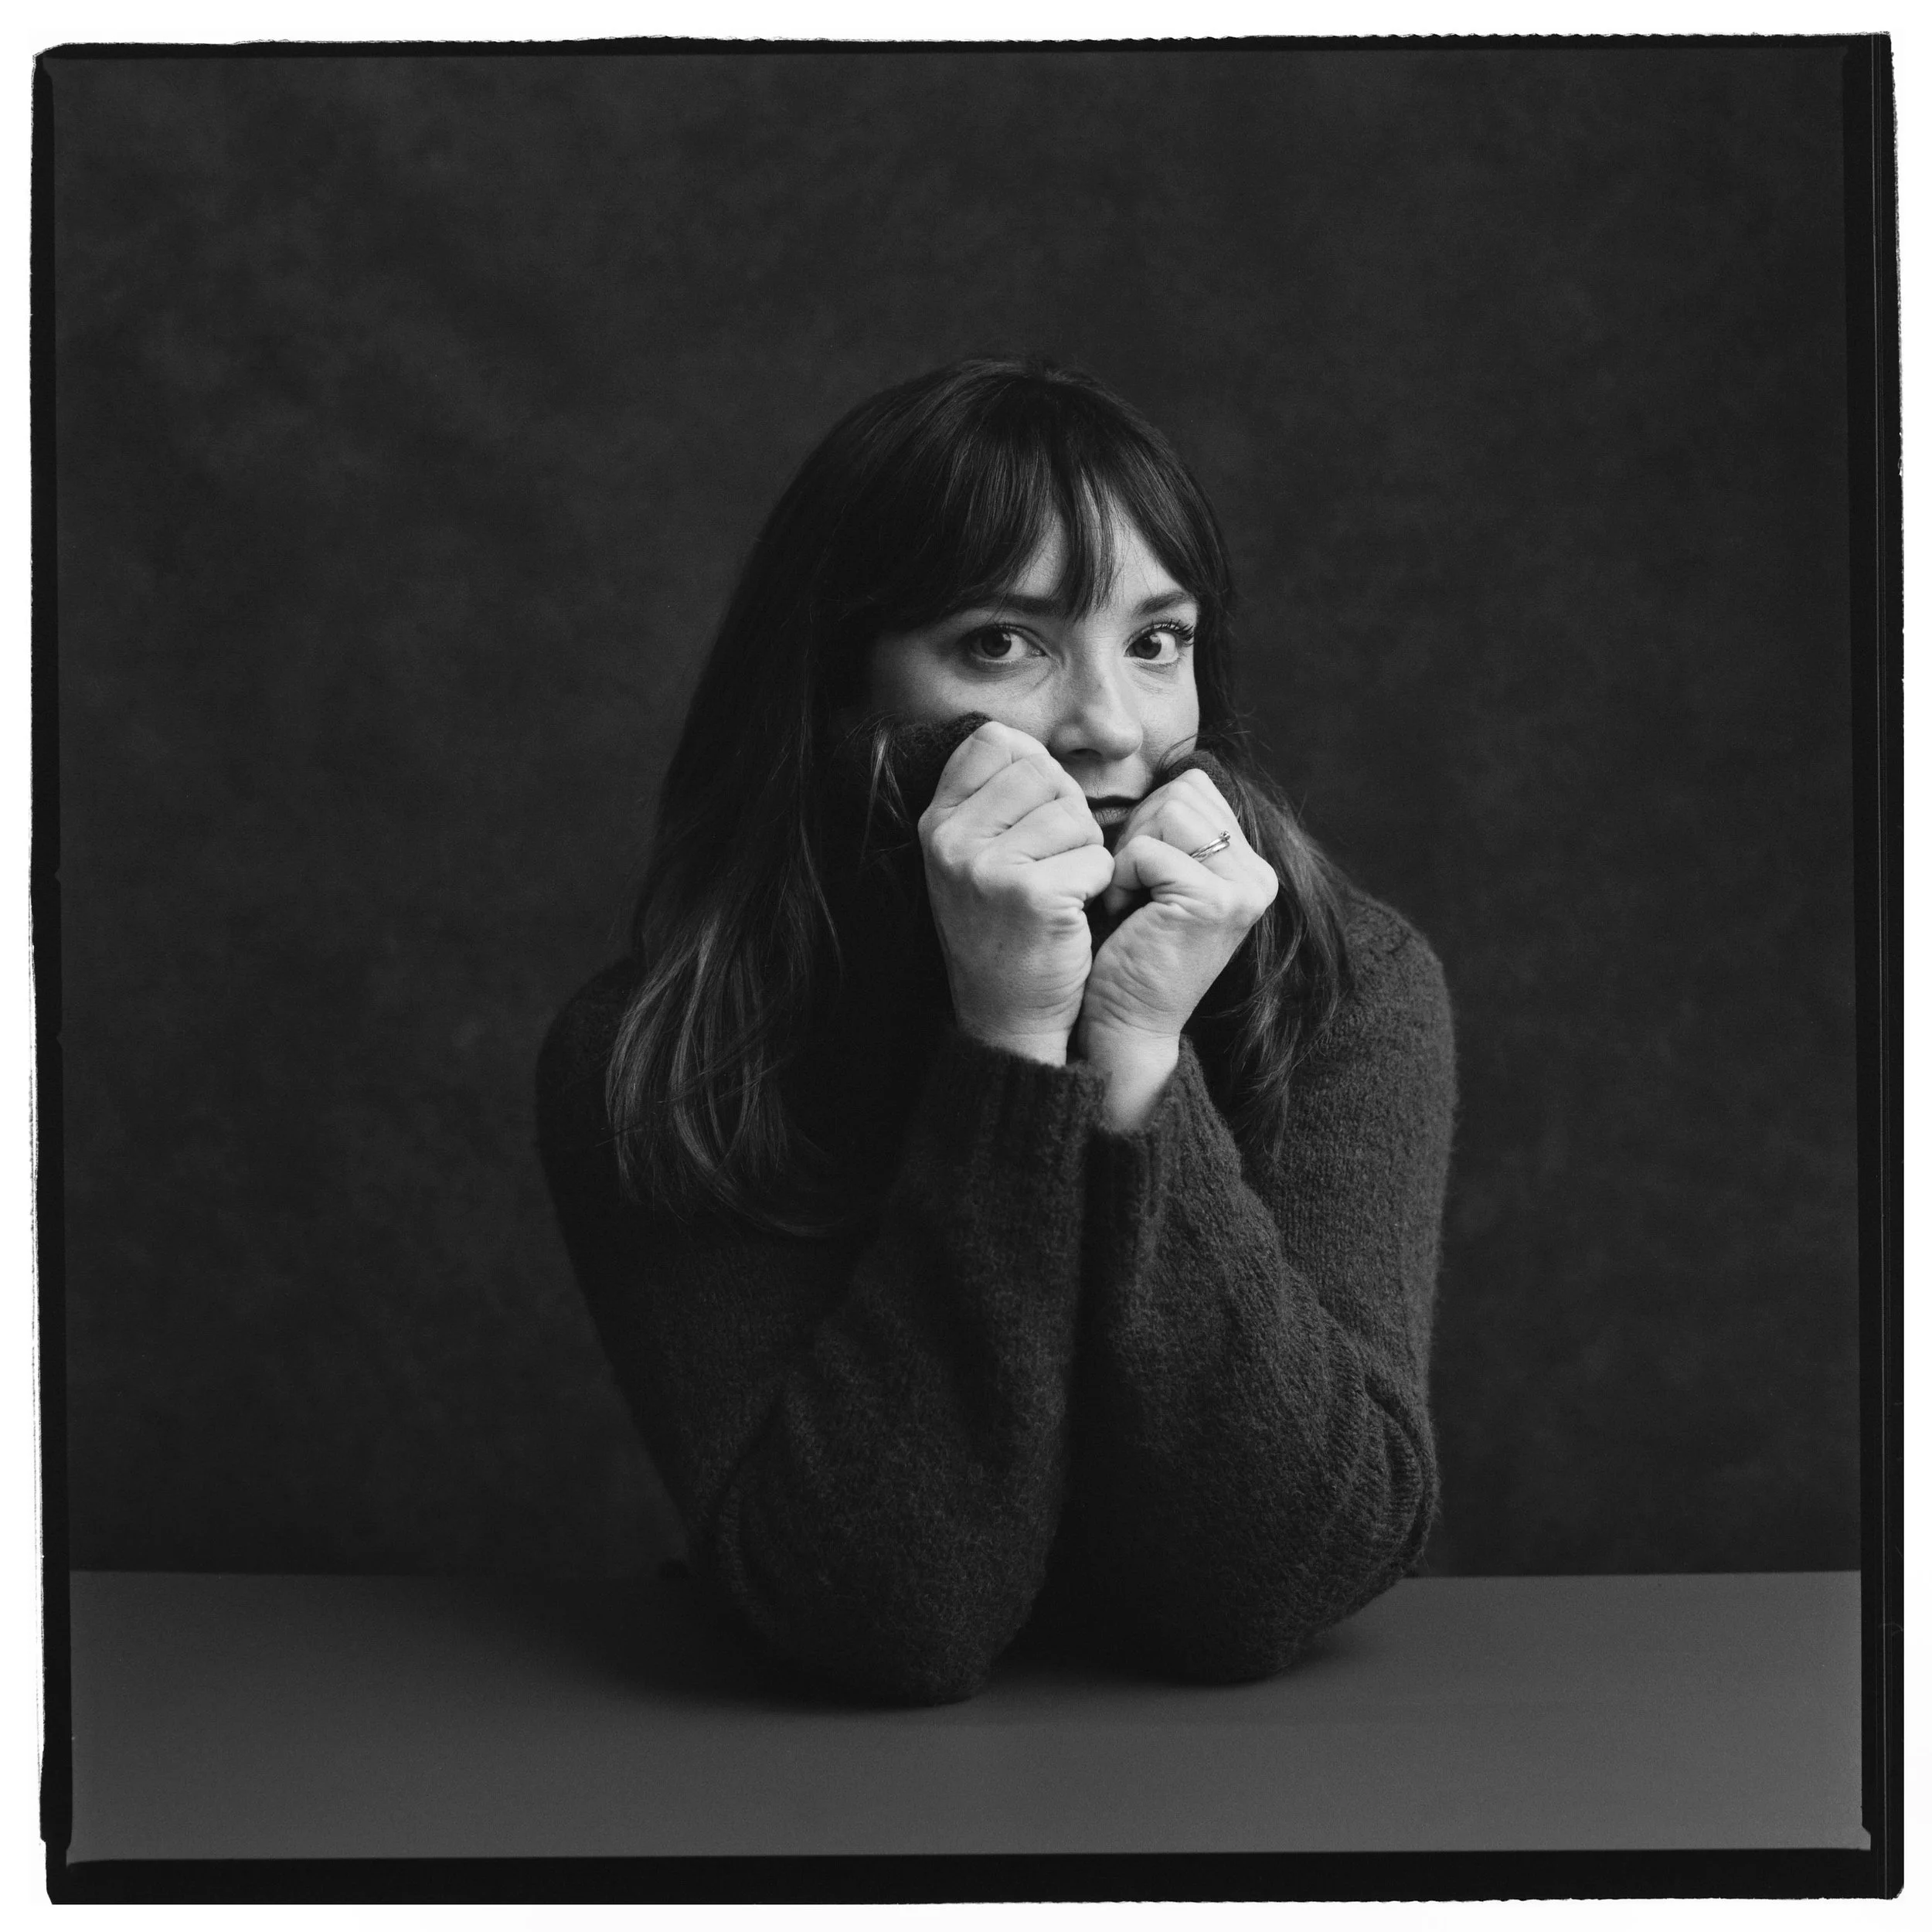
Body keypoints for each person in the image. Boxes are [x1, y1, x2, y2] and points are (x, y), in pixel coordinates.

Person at [537, 358, 1455, 1706]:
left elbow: (1285, 1571)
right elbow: (880, 1616)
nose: (1112, 728)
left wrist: (1138, 1059)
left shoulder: (1342, 986)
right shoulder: (665, 1058)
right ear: (843, 684)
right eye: (1002, 645)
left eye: (1157, 642)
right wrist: (1011, 1042)